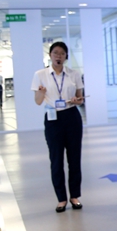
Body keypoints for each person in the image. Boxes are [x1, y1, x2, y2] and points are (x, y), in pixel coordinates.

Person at [32, 42, 84, 213]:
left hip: (72, 116)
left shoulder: (74, 74)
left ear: (66, 56)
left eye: (62, 53)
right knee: (56, 160)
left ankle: (74, 196)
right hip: (53, 118)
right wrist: (41, 92)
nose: (58, 56)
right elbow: (38, 101)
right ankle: (61, 199)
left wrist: (77, 100)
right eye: (55, 53)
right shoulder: (40, 74)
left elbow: (80, 99)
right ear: (50, 55)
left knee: (74, 158)